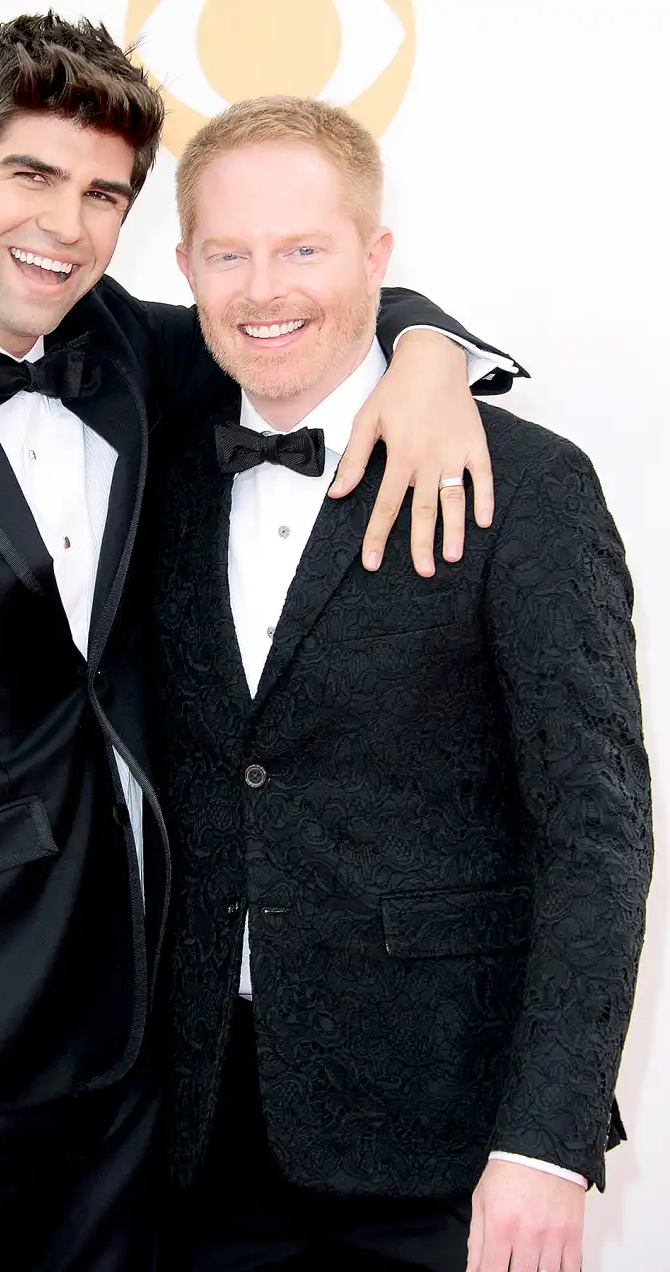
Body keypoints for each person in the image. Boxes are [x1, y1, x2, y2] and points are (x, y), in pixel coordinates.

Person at [0, 15, 519, 1272]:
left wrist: (433, 354)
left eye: (102, 194)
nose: (65, 226)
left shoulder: (125, 353)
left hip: (135, 1089)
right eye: (30, 175)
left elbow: (300, 305)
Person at [141, 96, 653, 1272]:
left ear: (376, 257)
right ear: (185, 268)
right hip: (192, 1139)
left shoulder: (524, 485)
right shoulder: (154, 470)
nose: (264, 289)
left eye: (303, 249)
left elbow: (598, 832)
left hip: (449, 1147)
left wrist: (545, 1142)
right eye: (230, 254)